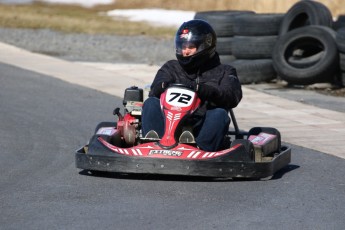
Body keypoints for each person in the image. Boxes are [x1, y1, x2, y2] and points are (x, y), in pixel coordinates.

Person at [141, 19, 242, 151]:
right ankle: (154, 143)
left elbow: (232, 96)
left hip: (202, 121)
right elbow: (155, 89)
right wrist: (162, 86)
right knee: (151, 103)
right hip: (169, 119)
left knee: (219, 114)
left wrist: (207, 91)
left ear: (205, 46)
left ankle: (201, 149)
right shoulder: (171, 67)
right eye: (183, 47)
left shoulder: (224, 71)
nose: (185, 52)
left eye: (190, 47)